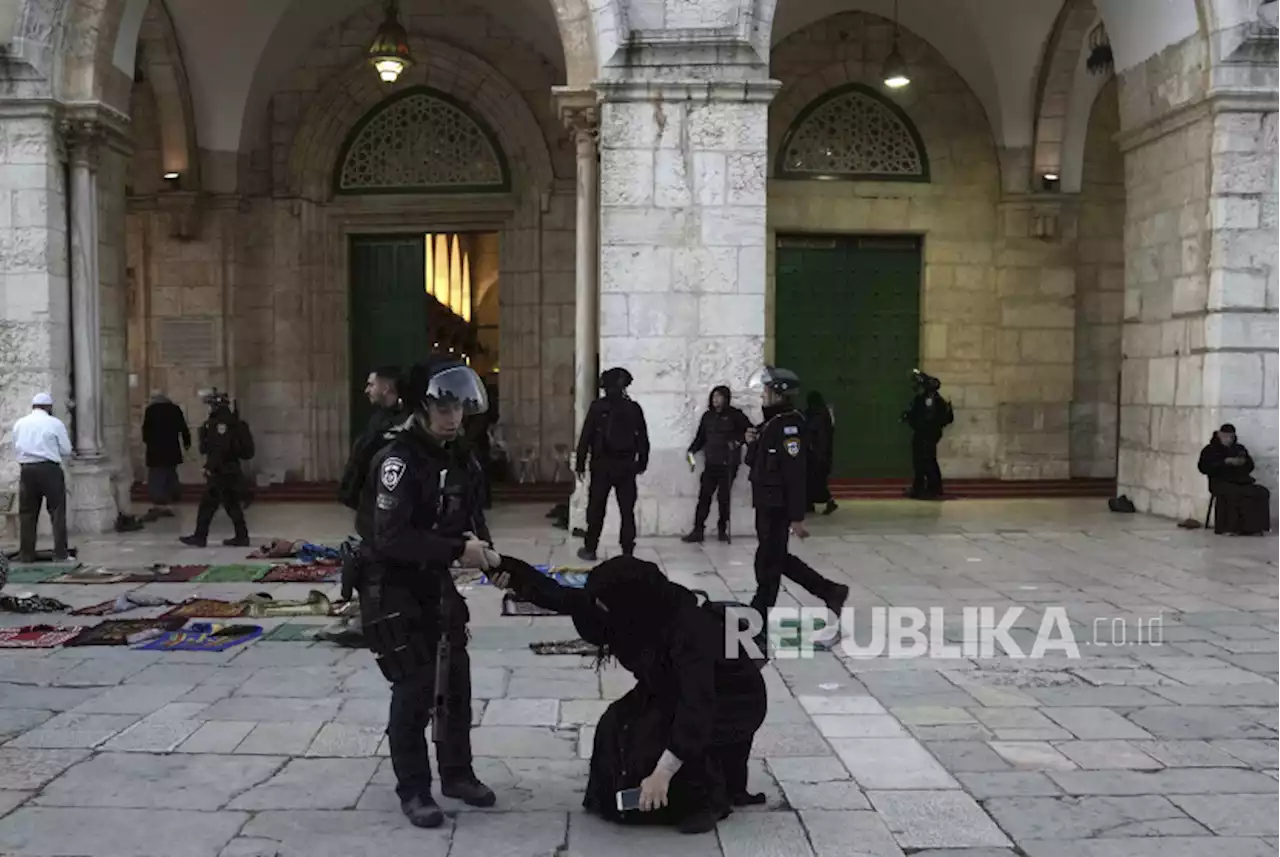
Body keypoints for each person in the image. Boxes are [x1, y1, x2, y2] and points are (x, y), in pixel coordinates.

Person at [490, 555, 768, 834]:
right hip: (668, 688)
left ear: (631, 605)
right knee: (616, 725)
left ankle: (705, 800)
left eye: (602, 604)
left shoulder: (688, 628)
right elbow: (559, 595)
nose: (596, 607)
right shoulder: (627, 609)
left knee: (658, 744)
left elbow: (697, 705)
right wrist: (498, 563)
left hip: (731, 701)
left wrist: (663, 772)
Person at [351, 357, 498, 828]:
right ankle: (414, 789)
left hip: (434, 580)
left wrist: (490, 555)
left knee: (455, 678)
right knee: (414, 687)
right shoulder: (399, 459)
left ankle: (457, 773)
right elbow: (390, 537)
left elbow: (472, 516)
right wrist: (459, 549)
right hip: (391, 584)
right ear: (422, 405)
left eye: (459, 408)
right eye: (443, 407)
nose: (453, 416)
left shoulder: (459, 454)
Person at [744, 367, 848, 638]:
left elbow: (795, 474)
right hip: (765, 503)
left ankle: (759, 616)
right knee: (773, 558)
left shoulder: (790, 425)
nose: (763, 396)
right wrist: (752, 442)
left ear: (778, 394)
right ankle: (830, 591)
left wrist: (796, 516)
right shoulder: (770, 423)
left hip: (777, 505)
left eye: (767, 391)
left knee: (769, 561)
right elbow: (754, 464)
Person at [576, 367, 649, 561]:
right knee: (627, 511)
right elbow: (643, 439)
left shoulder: (598, 407)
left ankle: (590, 548)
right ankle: (627, 551)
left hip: (602, 465)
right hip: (626, 466)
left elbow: (586, 436)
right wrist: (642, 462)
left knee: (596, 509)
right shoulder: (633, 408)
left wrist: (581, 463)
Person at [180, 390, 254, 547]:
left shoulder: (216, 425)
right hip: (232, 470)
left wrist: (210, 467)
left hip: (220, 472)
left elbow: (216, 450)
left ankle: (200, 537)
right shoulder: (236, 424)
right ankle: (242, 536)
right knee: (231, 504)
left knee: (207, 505)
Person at [682, 385, 751, 544]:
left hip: (728, 464)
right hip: (711, 463)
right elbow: (701, 438)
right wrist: (691, 451)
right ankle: (698, 530)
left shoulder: (735, 415)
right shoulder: (708, 417)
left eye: (719, 396)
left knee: (723, 498)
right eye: (713, 396)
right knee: (704, 497)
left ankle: (722, 530)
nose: (715, 400)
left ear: (726, 398)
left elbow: (749, 432)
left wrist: (737, 442)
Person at [12, 393, 72, 562]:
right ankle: (61, 553)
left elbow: (16, 448)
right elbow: (66, 450)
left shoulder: (20, 424)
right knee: (57, 511)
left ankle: (26, 553)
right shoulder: (54, 423)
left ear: (33, 406)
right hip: (49, 469)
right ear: (49, 408)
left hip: (27, 470)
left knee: (27, 513)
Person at [339, 367, 405, 511]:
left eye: (371, 385)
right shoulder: (378, 418)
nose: (366, 390)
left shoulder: (403, 424)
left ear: (385, 388)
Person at [1199, 423, 1271, 536]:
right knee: (1232, 493)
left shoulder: (1239, 448)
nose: (1228, 440)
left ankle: (1253, 528)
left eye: (1231, 437)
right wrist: (1224, 462)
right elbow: (1203, 467)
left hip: (1241, 481)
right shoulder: (1210, 450)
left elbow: (1250, 465)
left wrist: (1243, 462)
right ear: (1219, 435)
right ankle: (1229, 528)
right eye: (1225, 437)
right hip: (1220, 482)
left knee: (1260, 492)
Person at [901, 369, 953, 499]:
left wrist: (917, 422)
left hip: (928, 434)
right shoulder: (922, 398)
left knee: (928, 460)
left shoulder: (931, 399)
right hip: (922, 433)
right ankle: (918, 488)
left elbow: (928, 418)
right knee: (919, 461)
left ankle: (933, 489)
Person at [141, 390, 191, 520]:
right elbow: (183, 428)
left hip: (155, 450)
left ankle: (160, 503)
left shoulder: (151, 410)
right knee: (170, 472)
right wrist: (187, 443)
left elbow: (145, 430)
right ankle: (172, 497)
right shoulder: (174, 409)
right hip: (171, 449)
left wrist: (148, 442)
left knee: (156, 476)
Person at [805, 391, 838, 516]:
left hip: (816, 455)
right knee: (817, 481)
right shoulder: (824, 414)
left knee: (815, 481)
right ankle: (810, 504)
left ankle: (823, 502)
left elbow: (815, 432)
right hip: (822, 455)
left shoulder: (817, 415)